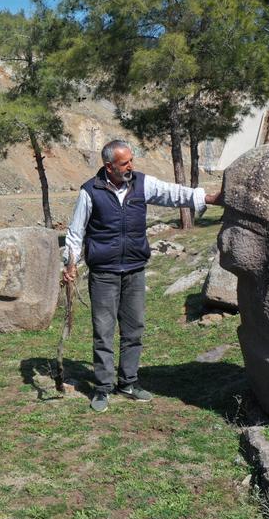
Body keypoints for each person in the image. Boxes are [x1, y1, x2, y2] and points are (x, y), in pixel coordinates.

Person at [63, 140, 222, 412]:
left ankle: (128, 382)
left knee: (134, 330)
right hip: (104, 274)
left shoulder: (141, 183)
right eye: (125, 163)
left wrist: (206, 198)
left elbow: (172, 193)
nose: (131, 167)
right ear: (109, 166)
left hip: (135, 271)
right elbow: (75, 232)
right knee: (103, 332)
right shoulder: (90, 191)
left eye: (131, 161)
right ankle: (102, 388)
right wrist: (70, 264)